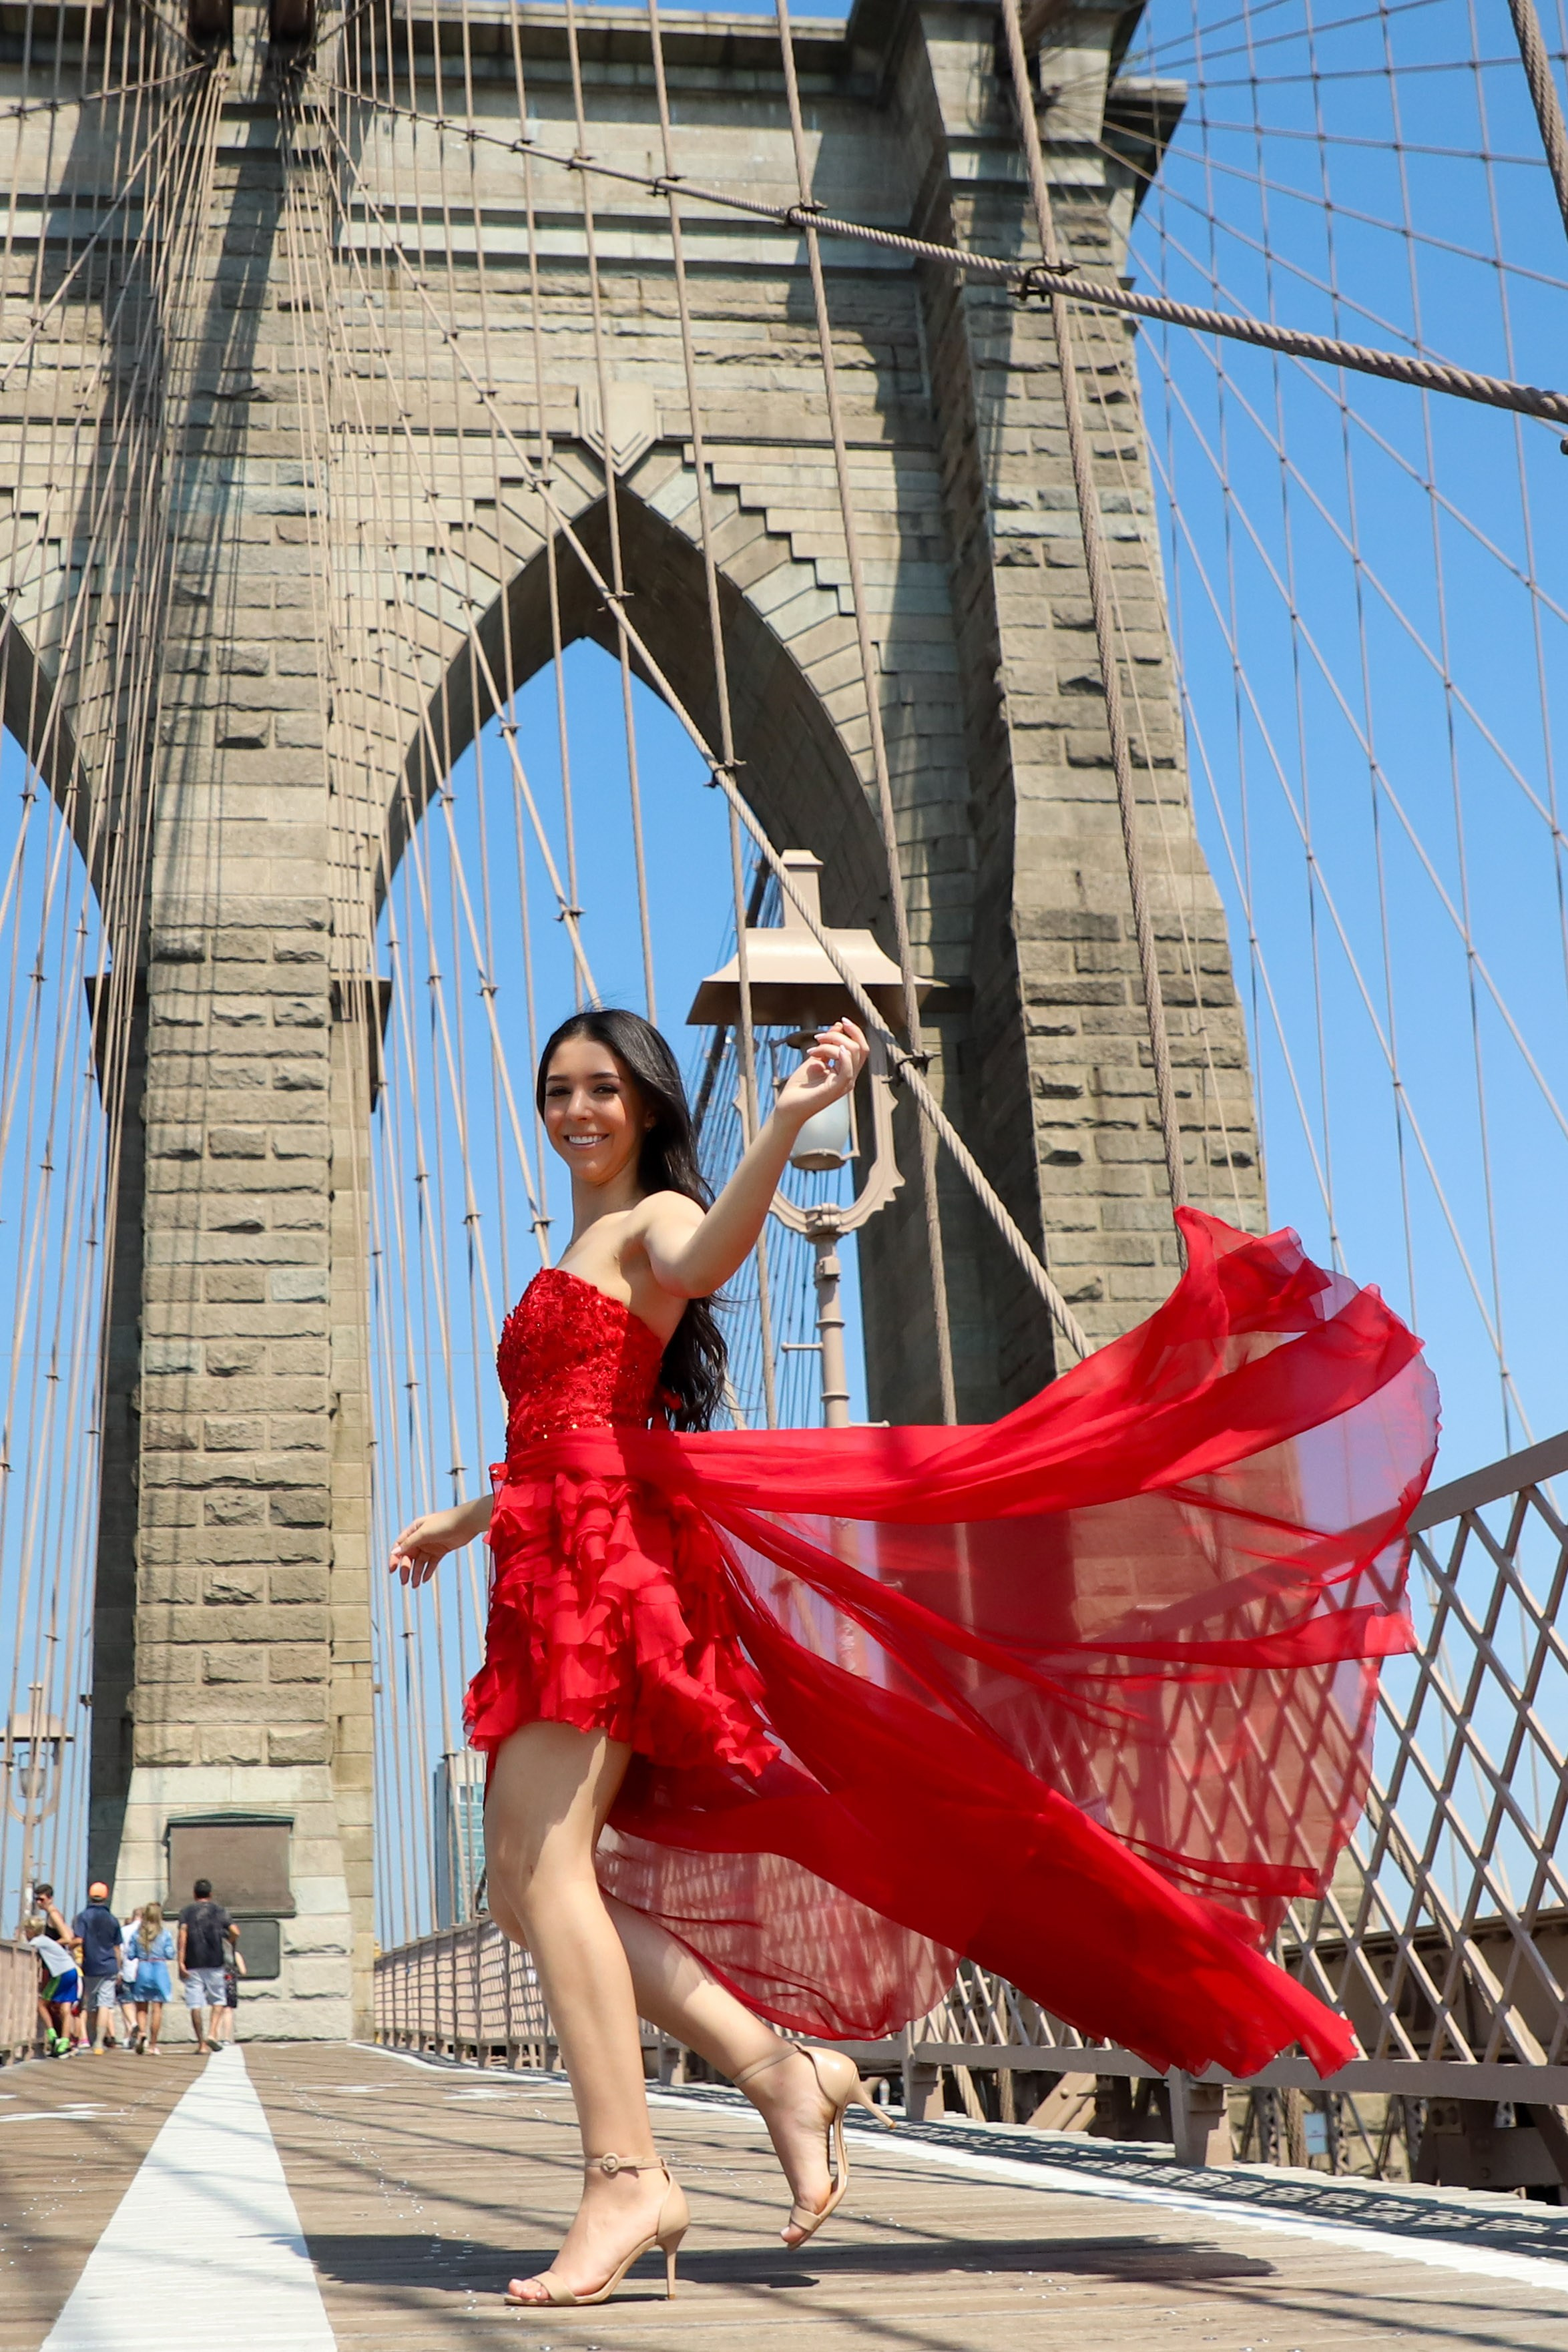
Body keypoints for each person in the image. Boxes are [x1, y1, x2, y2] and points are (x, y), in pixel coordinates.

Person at [391, 1007, 1439, 2309]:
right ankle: (777, 2070)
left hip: (598, 1574)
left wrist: (785, 1118)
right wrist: (466, 1517)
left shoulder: (654, 1219)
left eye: (600, 1088)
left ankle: (628, 2175)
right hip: (547, 1550)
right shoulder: (580, 1246)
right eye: (557, 1090)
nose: (575, 1111)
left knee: (545, 1874)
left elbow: (708, 1258)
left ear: (648, 1106)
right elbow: (573, 1427)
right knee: (525, 1885)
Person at [176, 1879, 238, 2051]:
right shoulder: (219, 1911)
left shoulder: (187, 1912)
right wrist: (229, 1941)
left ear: (194, 1894)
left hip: (193, 1962)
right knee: (218, 1999)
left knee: (195, 2004)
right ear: (210, 1894)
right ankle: (212, 2033)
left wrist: (180, 1961)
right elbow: (235, 1931)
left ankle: (201, 2044)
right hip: (215, 1961)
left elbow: (183, 1936)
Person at [72, 1882, 123, 2054]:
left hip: (91, 1966)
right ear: (106, 1897)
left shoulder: (83, 1917)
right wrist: (118, 1968)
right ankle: (99, 2043)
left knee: (89, 2004)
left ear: (90, 1896)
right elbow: (117, 1947)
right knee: (105, 2004)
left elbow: (79, 1940)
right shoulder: (112, 1919)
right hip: (109, 1965)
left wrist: (67, 1945)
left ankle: (89, 2037)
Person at [25, 1915, 79, 2056]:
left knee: (42, 2005)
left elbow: (27, 1949)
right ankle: (65, 2043)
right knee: (65, 2009)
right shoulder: (46, 1940)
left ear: (31, 1931)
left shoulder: (37, 1942)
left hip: (60, 1973)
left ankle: (52, 2035)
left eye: (26, 1930)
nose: (25, 1933)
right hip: (72, 1970)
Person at [126, 1903, 175, 2054]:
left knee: (141, 2007)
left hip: (143, 1969)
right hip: (159, 1970)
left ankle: (142, 2033)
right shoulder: (165, 1934)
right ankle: (153, 2045)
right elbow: (170, 1954)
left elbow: (130, 1955)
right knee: (157, 2009)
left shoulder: (138, 1934)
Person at [209, 1943, 246, 2044]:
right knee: (228, 2010)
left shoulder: (213, 1953)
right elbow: (243, 1971)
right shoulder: (235, 1954)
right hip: (230, 1984)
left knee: (217, 2010)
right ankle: (226, 2038)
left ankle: (215, 2037)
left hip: (216, 1982)